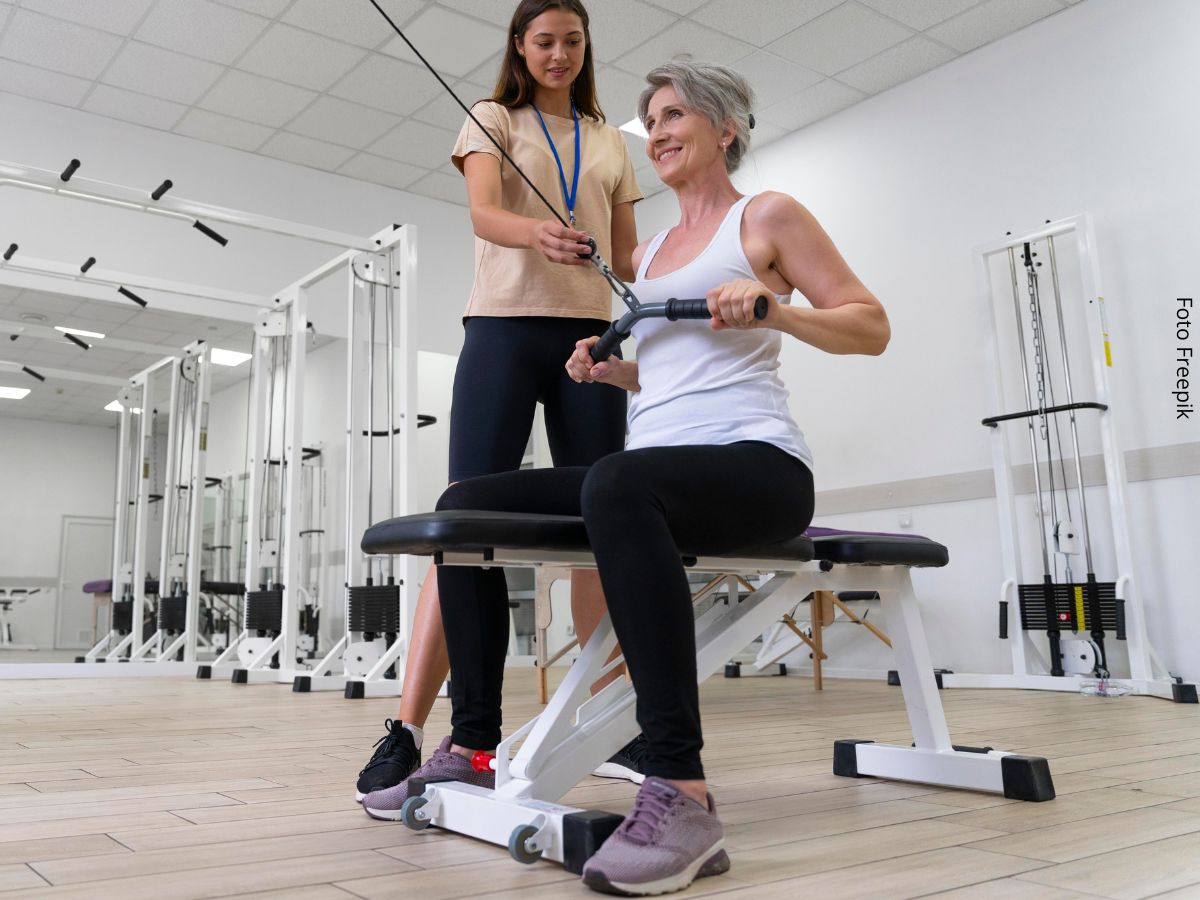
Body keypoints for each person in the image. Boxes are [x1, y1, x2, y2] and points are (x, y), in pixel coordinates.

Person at [371, 59, 891, 894]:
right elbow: (675, 378)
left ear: (726, 126)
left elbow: (869, 325)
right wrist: (616, 373)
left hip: (760, 467)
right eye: (652, 122)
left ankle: (682, 790)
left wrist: (775, 308)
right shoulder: (645, 258)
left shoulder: (767, 216)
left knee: (614, 479)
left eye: (676, 115)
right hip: (661, 472)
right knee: (466, 502)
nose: (659, 134)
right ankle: (472, 746)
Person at [356, 0, 646, 806]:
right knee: (465, 524)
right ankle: (436, 730)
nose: (559, 54)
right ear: (521, 46)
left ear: (586, 48)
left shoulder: (612, 141)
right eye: (544, 41)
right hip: (504, 329)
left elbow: (628, 256)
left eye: (572, 41)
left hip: (590, 336)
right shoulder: (491, 118)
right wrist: (537, 234)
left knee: (604, 525)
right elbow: (485, 213)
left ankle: (613, 724)